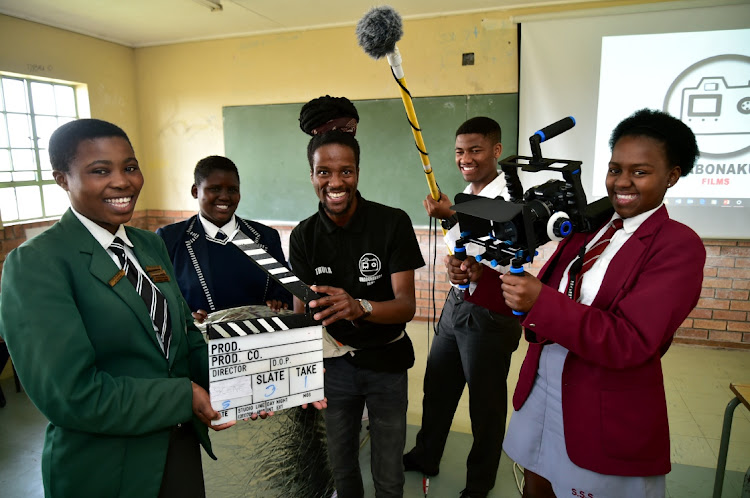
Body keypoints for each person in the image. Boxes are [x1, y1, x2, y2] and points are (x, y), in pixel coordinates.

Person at [460, 109, 705, 497]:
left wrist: (539, 301)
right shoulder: (590, 228)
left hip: (601, 408)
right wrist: (482, 280)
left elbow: (632, 340)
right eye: (615, 169)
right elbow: (540, 299)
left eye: (640, 172)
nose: (622, 182)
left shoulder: (677, 245)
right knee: (536, 487)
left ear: (672, 175)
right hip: (544, 391)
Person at [0, 118, 233, 497]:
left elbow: (185, 341)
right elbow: (70, 395)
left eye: (130, 167)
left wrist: (248, 383)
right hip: (107, 470)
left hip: (179, 453)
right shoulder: (37, 264)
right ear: (62, 178)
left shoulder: (148, 246)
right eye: (99, 171)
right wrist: (183, 397)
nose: (123, 182)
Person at [289, 95, 425, 498]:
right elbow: (301, 318)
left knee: (388, 473)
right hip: (334, 370)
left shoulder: (392, 223)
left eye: (345, 171)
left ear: (358, 172)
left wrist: (359, 306)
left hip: (386, 365)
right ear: (312, 176)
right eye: (324, 172)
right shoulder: (303, 236)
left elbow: (405, 306)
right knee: (342, 469)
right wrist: (304, 376)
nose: (335, 182)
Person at [404, 117, 522, 498]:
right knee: (437, 386)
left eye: (475, 149)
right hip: (457, 306)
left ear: (496, 150)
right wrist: (456, 264)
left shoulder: (511, 196)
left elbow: (505, 247)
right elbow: (466, 246)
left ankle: (479, 482)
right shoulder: (467, 192)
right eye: (459, 151)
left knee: (485, 405)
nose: (465, 158)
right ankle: (426, 454)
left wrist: (454, 218)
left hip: (490, 314)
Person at [156, 155, 291, 321]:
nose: (225, 197)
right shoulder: (170, 239)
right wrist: (185, 315)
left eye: (232, 190)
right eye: (214, 189)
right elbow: (160, 297)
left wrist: (279, 301)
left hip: (258, 340)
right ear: (195, 191)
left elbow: (284, 287)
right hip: (200, 341)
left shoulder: (264, 237)